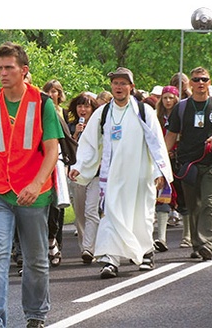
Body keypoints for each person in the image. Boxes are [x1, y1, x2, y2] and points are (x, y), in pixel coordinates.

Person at [0, 42, 62, 328]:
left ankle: (35, 316)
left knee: (35, 260)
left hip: (33, 195)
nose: (3, 73)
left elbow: (52, 151)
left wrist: (36, 184)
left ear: (24, 71)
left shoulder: (43, 103)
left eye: (8, 67)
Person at [69, 67, 172, 279]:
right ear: (111, 87)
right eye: (115, 83)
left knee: (141, 215)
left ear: (131, 87)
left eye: (123, 83)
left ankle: (145, 253)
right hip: (113, 176)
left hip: (140, 174)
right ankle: (110, 260)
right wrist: (80, 165)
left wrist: (159, 171)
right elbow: (89, 142)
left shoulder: (145, 112)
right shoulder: (103, 113)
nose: (119, 87)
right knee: (111, 216)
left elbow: (157, 144)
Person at [164, 67, 212, 261]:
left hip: (211, 162)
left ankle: (208, 243)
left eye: (204, 79)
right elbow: (171, 135)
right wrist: (162, 160)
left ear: (209, 82)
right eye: (196, 79)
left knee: (209, 204)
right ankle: (197, 244)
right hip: (187, 163)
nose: (200, 82)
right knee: (193, 206)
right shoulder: (182, 107)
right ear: (190, 84)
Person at [67, 93, 100, 264]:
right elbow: (68, 150)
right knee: (79, 213)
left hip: (95, 174)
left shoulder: (99, 126)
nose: (83, 109)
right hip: (77, 175)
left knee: (91, 211)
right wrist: (75, 136)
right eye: (80, 106)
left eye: (87, 106)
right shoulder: (71, 126)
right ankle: (84, 247)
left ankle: (90, 247)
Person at [42, 79, 68, 267]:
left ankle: (54, 241)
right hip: (38, 165)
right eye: (48, 92)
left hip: (58, 164)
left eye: (55, 92)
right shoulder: (39, 111)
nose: (52, 95)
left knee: (56, 208)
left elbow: (67, 143)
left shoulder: (63, 114)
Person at [153, 86, 181, 252]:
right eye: (165, 98)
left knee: (184, 197)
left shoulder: (181, 115)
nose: (168, 101)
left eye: (171, 98)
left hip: (179, 160)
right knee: (162, 195)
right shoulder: (156, 118)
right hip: (161, 162)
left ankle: (189, 235)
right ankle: (161, 238)